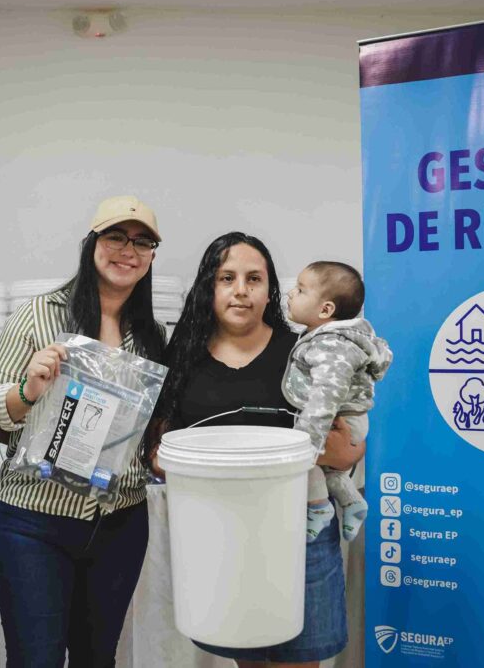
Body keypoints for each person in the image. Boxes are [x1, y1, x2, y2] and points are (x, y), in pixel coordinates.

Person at [146, 232, 362, 668]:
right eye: (226, 278)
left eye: (253, 278)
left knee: (299, 660)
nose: (240, 290)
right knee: (248, 657)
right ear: (209, 287)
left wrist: (255, 457)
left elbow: (346, 450)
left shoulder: (303, 354)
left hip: (300, 530)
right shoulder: (182, 359)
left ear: (270, 292)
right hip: (220, 535)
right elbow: (157, 452)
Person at [0, 195, 167, 667]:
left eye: (142, 242)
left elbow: (150, 438)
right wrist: (28, 390)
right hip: (34, 521)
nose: (128, 250)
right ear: (92, 244)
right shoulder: (40, 315)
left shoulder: (151, 336)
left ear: (150, 257)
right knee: (34, 660)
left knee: (97, 659)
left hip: (120, 522)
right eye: (116, 237)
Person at [283, 261, 391, 542]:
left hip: (338, 419)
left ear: (326, 309)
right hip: (346, 418)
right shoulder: (332, 338)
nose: (291, 294)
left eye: (300, 289)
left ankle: (318, 509)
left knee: (305, 466)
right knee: (331, 473)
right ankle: (353, 503)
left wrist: (307, 441)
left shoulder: (330, 345)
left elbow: (327, 392)